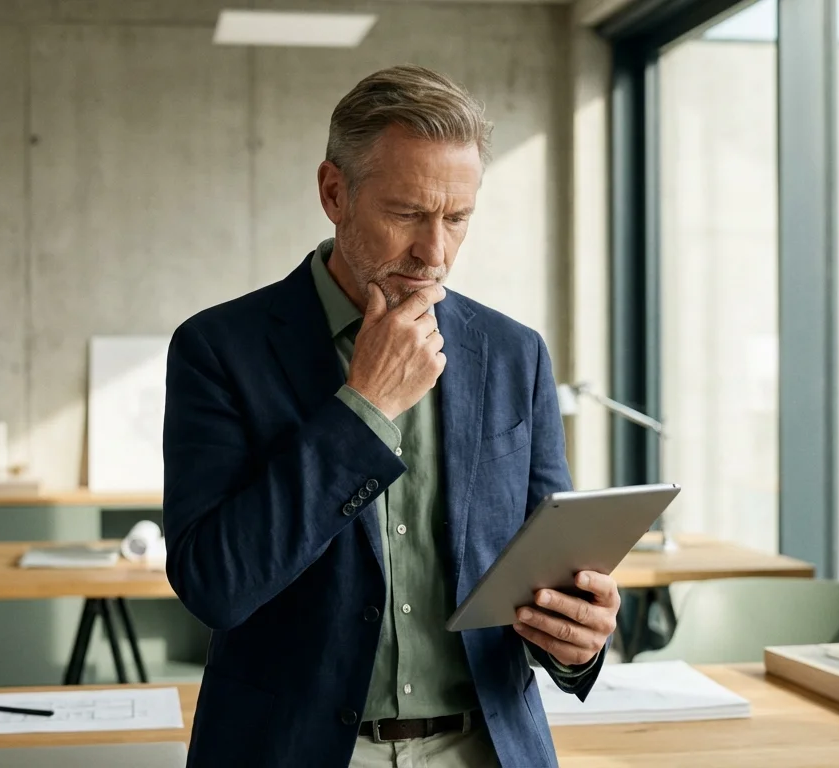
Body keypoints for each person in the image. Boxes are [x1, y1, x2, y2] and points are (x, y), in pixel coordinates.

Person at [162, 64, 618, 768]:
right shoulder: (219, 349)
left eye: (457, 218)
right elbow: (216, 586)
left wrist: (579, 640)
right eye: (407, 213)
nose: (434, 252)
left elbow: (544, 575)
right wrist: (364, 408)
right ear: (334, 192)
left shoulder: (513, 353)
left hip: (486, 747)